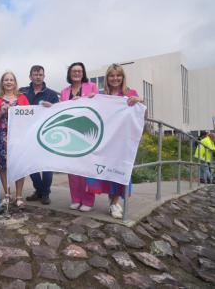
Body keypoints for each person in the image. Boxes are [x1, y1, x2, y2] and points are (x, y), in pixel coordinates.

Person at [83, 63, 142, 218]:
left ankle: (115, 203)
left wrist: (139, 101)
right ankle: (111, 201)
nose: (115, 78)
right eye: (111, 75)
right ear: (107, 78)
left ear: (122, 77)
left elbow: (143, 114)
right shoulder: (101, 95)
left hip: (123, 140)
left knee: (120, 169)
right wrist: (86, 100)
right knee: (104, 168)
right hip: (106, 140)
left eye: (118, 75)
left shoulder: (131, 93)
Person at [59, 62, 99, 212]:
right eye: (74, 71)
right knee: (73, 169)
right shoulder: (64, 91)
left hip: (87, 132)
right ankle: (76, 198)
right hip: (70, 133)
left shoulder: (92, 87)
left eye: (79, 71)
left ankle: (88, 200)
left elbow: (98, 104)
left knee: (87, 169)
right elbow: (60, 110)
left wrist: (86, 99)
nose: (77, 73)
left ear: (83, 73)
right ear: (69, 73)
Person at [20, 65, 59, 205]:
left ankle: (45, 193)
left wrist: (53, 107)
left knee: (47, 166)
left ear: (44, 76)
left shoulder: (52, 94)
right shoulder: (22, 92)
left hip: (46, 135)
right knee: (30, 165)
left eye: (40, 74)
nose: (37, 77)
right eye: (35, 74)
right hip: (27, 135)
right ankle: (39, 190)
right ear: (30, 76)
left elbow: (58, 113)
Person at [0, 71, 30, 208]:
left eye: (11, 80)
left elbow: (30, 116)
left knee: (19, 166)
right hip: (2, 137)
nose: (9, 82)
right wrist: (1, 112)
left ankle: (19, 196)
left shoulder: (22, 98)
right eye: (6, 80)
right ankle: (7, 195)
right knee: (4, 167)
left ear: (15, 82)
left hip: (19, 137)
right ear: (2, 82)